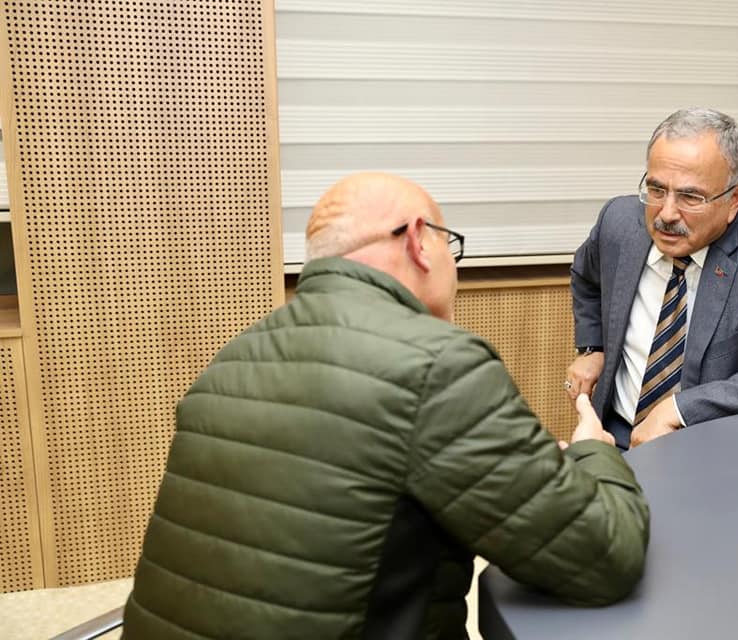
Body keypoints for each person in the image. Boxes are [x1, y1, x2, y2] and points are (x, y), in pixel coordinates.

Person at [122, 173, 650, 639]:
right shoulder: (437, 364)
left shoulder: (234, 358)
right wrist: (594, 451)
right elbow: (604, 557)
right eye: (451, 247)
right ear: (419, 240)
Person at [566, 108, 738, 450]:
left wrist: (678, 409)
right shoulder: (619, 223)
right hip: (614, 435)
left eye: (690, 197)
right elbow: (587, 278)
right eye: (656, 189)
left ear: (735, 200)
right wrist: (592, 348)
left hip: (709, 451)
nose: (666, 214)